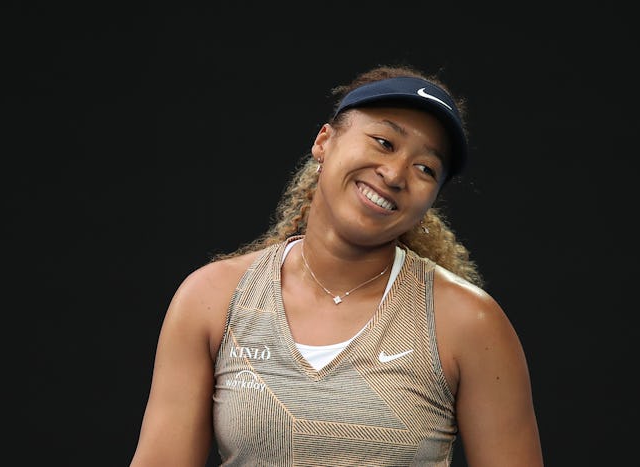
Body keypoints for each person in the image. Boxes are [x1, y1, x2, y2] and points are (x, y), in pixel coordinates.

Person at [130, 64, 544, 466]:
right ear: (324, 142)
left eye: (425, 168)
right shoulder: (212, 298)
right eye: (384, 142)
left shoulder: (467, 321)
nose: (396, 173)